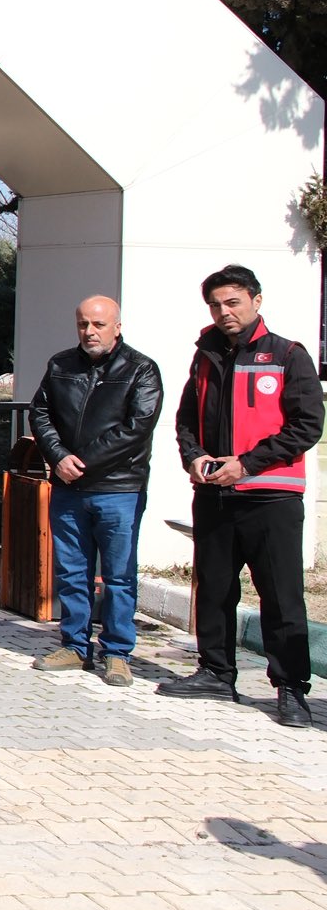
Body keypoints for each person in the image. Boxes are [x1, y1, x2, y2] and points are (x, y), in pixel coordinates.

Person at [161, 265, 324, 727]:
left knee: (281, 596)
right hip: (214, 493)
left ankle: (291, 688)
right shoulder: (206, 355)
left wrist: (247, 464)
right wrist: (194, 456)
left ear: (256, 300)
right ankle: (216, 672)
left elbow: (307, 426)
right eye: (215, 305)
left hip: (271, 496)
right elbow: (186, 418)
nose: (223, 312)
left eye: (232, 302)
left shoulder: (288, 355)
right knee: (214, 588)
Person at [28, 296, 163, 687]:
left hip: (119, 487)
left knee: (118, 576)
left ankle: (117, 653)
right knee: (72, 572)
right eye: (83, 324)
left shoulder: (141, 369)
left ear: (117, 326)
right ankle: (74, 645)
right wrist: (58, 457)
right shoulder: (60, 365)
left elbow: (137, 427)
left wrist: (80, 462)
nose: (90, 331)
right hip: (69, 488)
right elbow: (40, 413)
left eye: (99, 324)